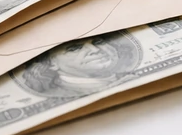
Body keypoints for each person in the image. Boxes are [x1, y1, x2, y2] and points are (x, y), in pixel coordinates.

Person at [12, 32, 142, 98]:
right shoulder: (58, 93)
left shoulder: (129, 75)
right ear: (51, 63)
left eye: (98, 42)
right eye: (75, 49)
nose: (95, 50)